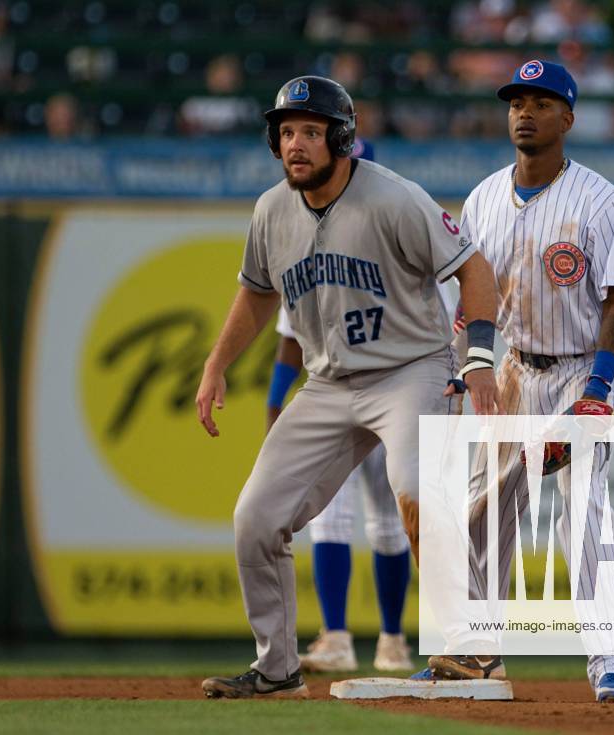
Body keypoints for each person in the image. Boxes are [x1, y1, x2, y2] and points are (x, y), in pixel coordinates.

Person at [196, 75, 501, 699]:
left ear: (340, 136)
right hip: (329, 382)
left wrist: (478, 357)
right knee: (255, 517)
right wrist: (215, 363)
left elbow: (474, 267)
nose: (296, 145)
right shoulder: (270, 210)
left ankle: (474, 651)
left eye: (310, 130)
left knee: (414, 490)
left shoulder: (393, 198)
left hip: (412, 369)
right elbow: (257, 294)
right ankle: (278, 669)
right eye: (285, 132)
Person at [420, 59, 614, 704]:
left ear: (568, 118)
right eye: (517, 101)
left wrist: (597, 392)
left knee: (582, 515)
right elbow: (474, 302)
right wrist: (468, 366)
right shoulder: (484, 198)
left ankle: (609, 662)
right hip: (512, 370)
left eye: (542, 103)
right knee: (481, 515)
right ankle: (475, 654)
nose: (525, 112)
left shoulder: (602, 201)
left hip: (578, 373)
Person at [267, 309, 413, 673]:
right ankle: (336, 638)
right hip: (328, 400)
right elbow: (290, 337)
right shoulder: (305, 257)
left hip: (389, 396)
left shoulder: (397, 256)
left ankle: (392, 640)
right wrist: (273, 401)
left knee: (389, 524)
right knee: (330, 518)